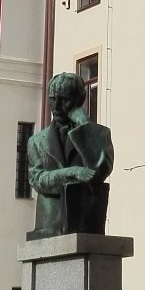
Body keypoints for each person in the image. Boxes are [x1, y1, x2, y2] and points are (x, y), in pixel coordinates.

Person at [26, 71, 113, 238]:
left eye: (64, 99)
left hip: (86, 221)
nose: (56, 106)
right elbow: (37, 180)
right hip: (49, 225)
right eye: (52, 99)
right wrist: (73, 172)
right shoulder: (36, 142)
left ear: (79, 101)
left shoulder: (99, 135)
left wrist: (85, 127)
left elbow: (102, 169)